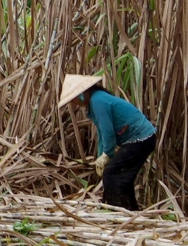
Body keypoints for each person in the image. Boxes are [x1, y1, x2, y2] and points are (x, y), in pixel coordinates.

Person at [58, 74, 157, 210]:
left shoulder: (98, 101)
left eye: (73, 99)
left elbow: (108, 131)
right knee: (123, 178)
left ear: (81, 93)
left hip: (141, 138)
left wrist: (107, 154)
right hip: (141, 139)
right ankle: (131, 212)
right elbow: (101, 133)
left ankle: (115, 211)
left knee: (111, 174)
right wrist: (102, 156)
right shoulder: (95, 103)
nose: (74, 103)